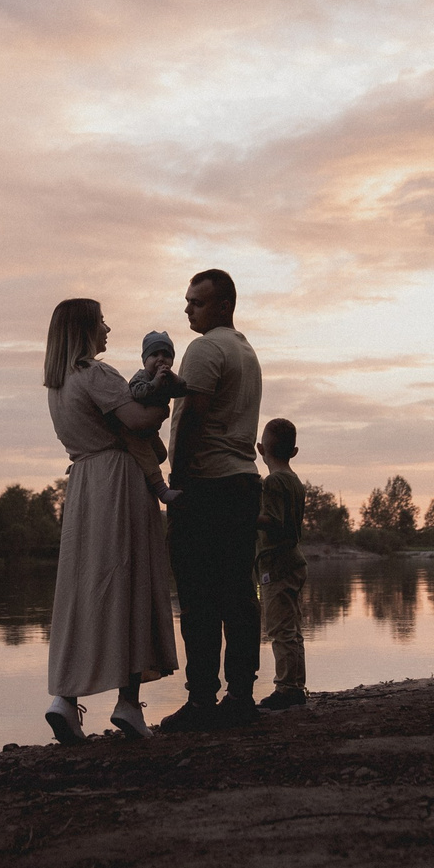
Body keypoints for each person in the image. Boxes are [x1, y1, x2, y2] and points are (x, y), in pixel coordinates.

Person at [40, 297, 179, 743]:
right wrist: (168, 405)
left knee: (82, 589)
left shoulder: (58, 386)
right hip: (118, 482)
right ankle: (127, 704)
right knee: (130, 584)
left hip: (82, 487)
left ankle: (64, 697)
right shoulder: (96, 374)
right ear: (83, 330)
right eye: (101, 321)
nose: (108, 328)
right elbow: (138, 420)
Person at [157, 268, 265, 731]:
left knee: (199, 598)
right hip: (243, 484)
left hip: (208, 486)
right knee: (239, 593)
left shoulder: (205, 349)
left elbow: (192, 421)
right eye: (187, 301)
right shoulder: (245, 349)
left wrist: (176, 486)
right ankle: (241, 695)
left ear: (223, 305)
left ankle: (202, 701)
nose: (187, 309)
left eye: (196, 302)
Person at [254, 418, 309, 711]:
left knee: (279, 630)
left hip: (277, 565)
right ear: (294, 451)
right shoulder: (295, 480)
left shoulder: (273, 482)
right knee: (292, 628)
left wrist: (244, 515)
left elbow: (274, 522)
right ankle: (295, 685)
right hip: (293, 562)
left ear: (260, 448)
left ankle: (287, 688)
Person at [122, 330, 189, 506]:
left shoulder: (168, 379)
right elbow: (137, 393)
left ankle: (143, 475)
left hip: (151, 431)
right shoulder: (141, 376)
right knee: (148, 457)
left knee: (160, 454)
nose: (160, 359)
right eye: (154, 354)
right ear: (145, 360)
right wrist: (155, 383)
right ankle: (161, 490)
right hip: (135, 432)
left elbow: (182, 390)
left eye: (166, 355)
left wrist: (172, 377)